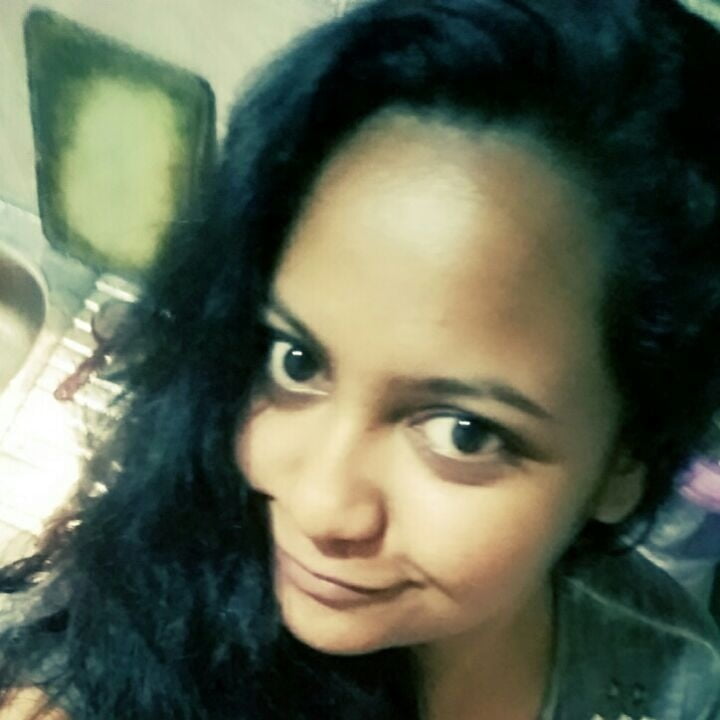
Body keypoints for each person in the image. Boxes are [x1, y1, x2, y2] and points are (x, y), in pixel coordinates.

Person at [1, 0, 720, 718]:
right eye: (296, 361)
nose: (319, 506)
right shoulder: (125, 652)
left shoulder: (671, 678)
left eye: (464, 432)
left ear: (626, 459)